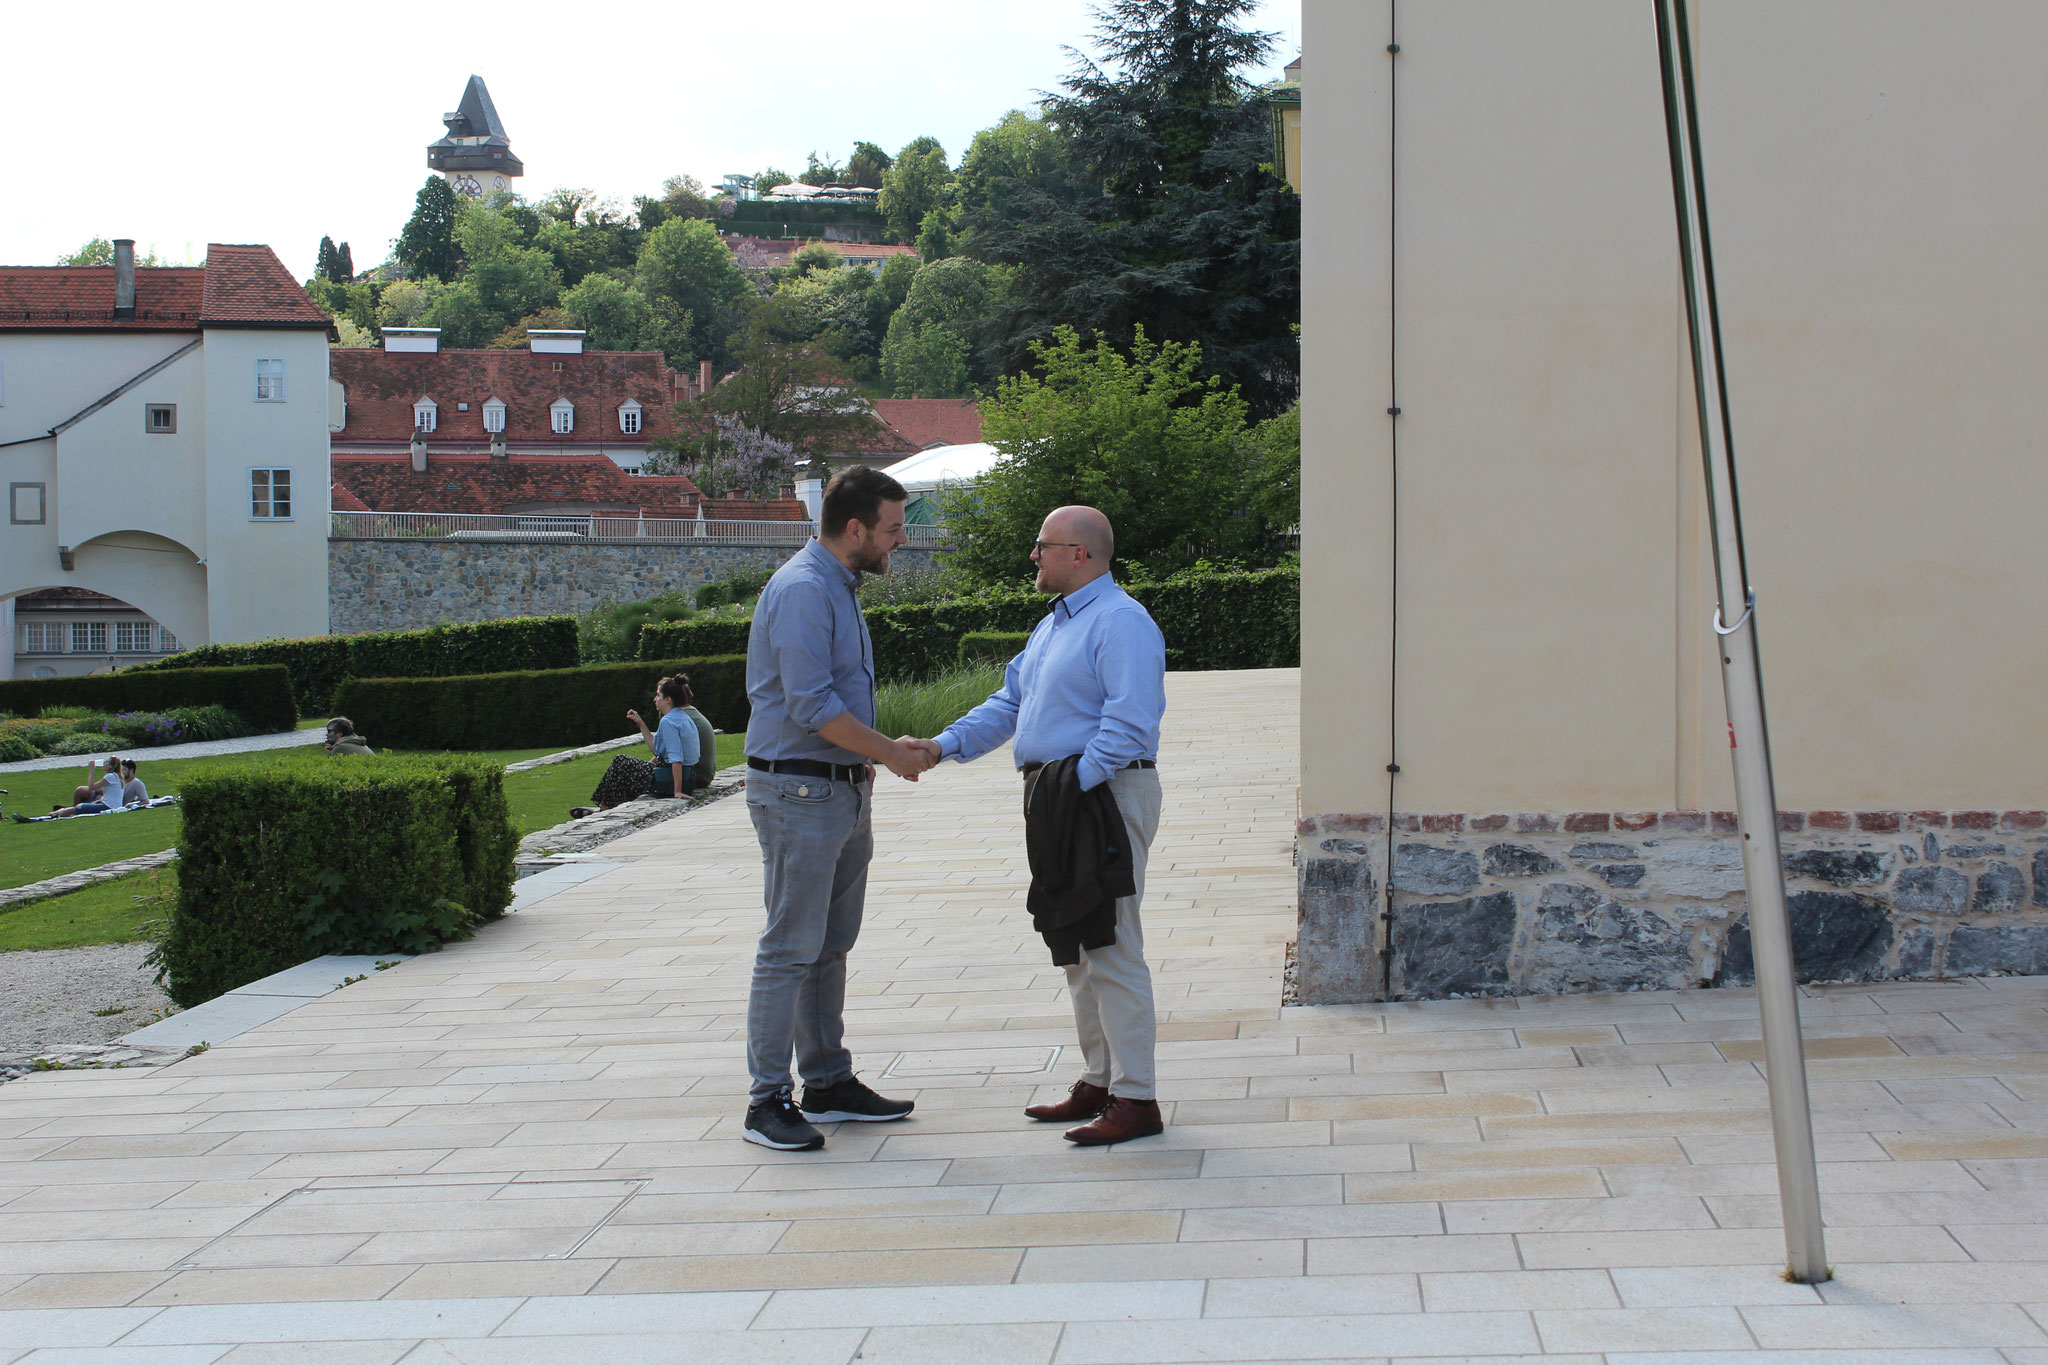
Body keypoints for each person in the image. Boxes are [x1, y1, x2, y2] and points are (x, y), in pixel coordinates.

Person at [911, 505, 1169, 1146]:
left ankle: (1137, 1099)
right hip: (1068, 797)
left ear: (1079, 553)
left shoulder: (1121, 622)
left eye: (1042, 545)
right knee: (1079, 944)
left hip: (1100, 795)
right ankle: (1101, 1079)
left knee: (1110, 943)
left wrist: (1071, 790)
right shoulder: (1054, 626)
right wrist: (941, 747)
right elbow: (1010, 705)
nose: (1033, 556)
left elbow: (1130, 720)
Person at [740, 465, 932, 1151]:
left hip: (836, 789)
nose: (901, 539)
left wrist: (873, 758)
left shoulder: (837, 586)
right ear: (855, 529)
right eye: (893, 527)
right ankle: (766, 1101)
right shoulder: (802, 590)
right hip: (799, 790)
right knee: (789, 947)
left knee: (828, 945)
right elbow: (812, 705)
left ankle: (826, 1081)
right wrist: (888, 752)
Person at [626, 674, 702, 798]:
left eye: (658, 695)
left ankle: (603, 808)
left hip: (670, 779)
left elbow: (676, 757)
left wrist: (677, 791)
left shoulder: (668, 721)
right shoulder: (683, 717)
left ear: (668, 699)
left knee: (621, 763)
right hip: (689, 778)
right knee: (627, 770)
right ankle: (604, 808)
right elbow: (658, 751)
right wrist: (640, 723)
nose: (655, 699)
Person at [40, 757, 148, 820]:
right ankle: (62, 812)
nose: (103, 764)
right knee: (81, 795)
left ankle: (56, 814)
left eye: (106, 763)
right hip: (108, 803)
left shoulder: (113, 777)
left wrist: (91, 771)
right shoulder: (117, 777)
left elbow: (92, 787)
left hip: (108, 806)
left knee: (78, 807)